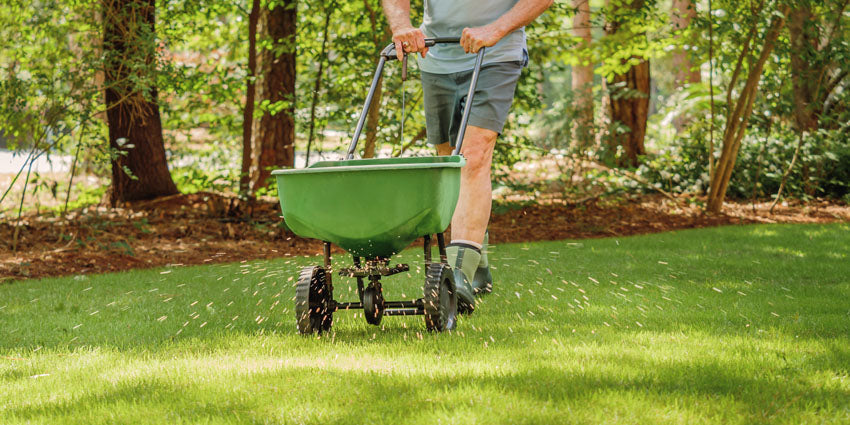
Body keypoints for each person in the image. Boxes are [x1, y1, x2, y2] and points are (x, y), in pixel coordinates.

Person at [382, 0, 553, 311]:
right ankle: (478, 262)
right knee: (449, 164)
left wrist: (495, 29)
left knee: (473, 156)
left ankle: (458, 274)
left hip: (496, 54)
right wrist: (402, 26)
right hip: (435, 58)